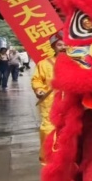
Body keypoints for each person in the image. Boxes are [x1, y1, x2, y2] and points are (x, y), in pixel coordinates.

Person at [32, 35, 64, 164]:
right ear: (53, 47)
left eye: (65, 44)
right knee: (48, 129)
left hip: (70, 102)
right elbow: (37, 80)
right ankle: (48, 158)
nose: (63, 47)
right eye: (59, 45)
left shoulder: (75, 63)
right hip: (50, 103)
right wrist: (39, 89)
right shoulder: (43, 64)